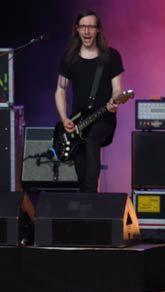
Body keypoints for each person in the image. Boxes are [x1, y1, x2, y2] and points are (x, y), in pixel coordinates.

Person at [54, 9, 125, 193]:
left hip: (103, 118)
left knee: (92, 141)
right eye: (83, 27)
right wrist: (63, 119)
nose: (87, 31)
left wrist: (115, 100)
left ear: (98, 30)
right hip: (78, 122)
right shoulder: (69, 57)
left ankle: (92, 199)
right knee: (81, 168)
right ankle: (86, 203)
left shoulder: (111, 56)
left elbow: (117, 88)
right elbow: (61, 89)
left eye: (91, 27)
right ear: (77, 29)